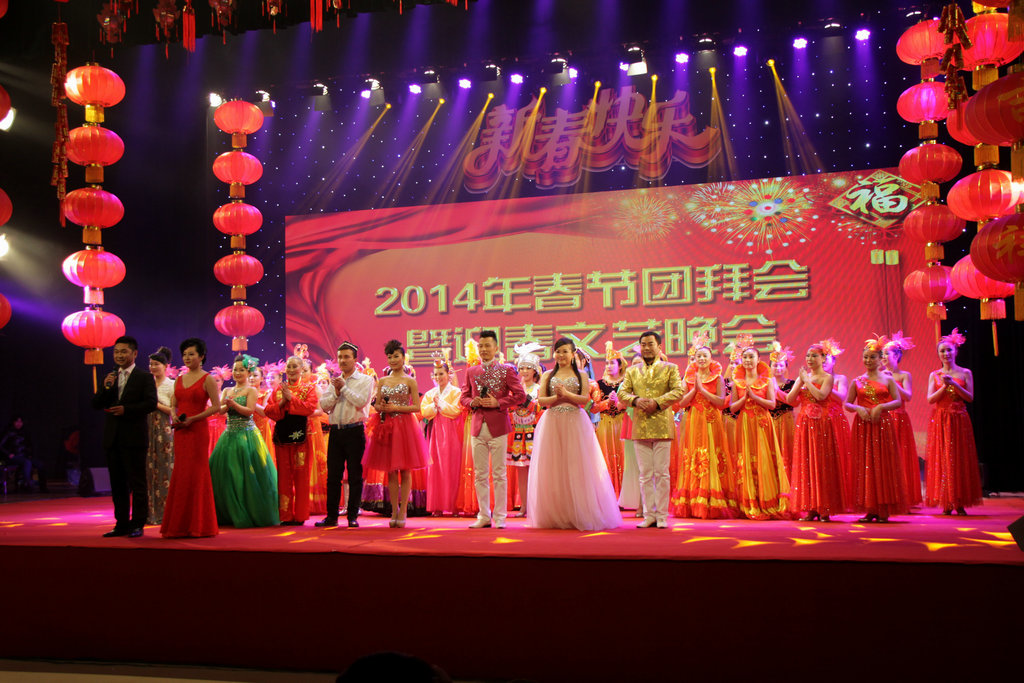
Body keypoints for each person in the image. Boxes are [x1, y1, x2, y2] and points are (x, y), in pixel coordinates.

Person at [527, 337, 622, 531]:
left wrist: (566, 395)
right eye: (558, 351)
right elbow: (542, 400)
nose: (561, 355)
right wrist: (557, 397)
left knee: (577, 466)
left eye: (565, 351)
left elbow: (583, 400)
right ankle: (556, 513)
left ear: (572, 354)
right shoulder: (548, 375)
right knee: (553, 468)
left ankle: (579, 512)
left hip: (575, 422)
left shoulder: (581, 375)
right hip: (552, 422)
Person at [92, 335, 158, 537]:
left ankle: (137, 524)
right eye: (116, 352)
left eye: (124, 351)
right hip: (112, 438)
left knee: (137, 483)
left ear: (134, 353)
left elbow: (151, 403)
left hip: (134, 438)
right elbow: (96, 404)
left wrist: (126, 410)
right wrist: (106, 387)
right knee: (117, 483)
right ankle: (121, 524)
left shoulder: (144, 377)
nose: (119, 355)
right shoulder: (110, 376)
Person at [460, 330, 526, 529]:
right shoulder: (471, 371)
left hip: (498, 426)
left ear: (496, 348)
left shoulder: (506, 370)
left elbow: (520, 395)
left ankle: (500, 517)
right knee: (480, 474)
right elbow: (463, 397)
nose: (483, 349)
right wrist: (472, 402)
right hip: (477, 427)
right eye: (480, 346)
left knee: (499, 474)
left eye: (487, 345)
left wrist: (498, 402)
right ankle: (484, 515)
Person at [618, 330, 684, 529]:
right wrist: (636, 400)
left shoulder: (670, 368)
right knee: (645, 473)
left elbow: (679, 391)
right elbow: (622, 393)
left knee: (662, 473)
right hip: (640, 427)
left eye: (650, 344)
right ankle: (649, 515)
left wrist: (657, 402)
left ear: (659, 347)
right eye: (643, 344)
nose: (646, 348)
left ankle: (662, 515)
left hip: (662, 426)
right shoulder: (632, 371)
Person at [362, 340, 429, 528]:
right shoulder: (383, 381)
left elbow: (416, 407)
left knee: (405, 470)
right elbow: (377, 405)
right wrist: (382, 407)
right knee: (390, 471)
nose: (393, 360)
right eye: (390, 357)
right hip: (387, 427)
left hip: (405, 427)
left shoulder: (410, 381)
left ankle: (403, 511)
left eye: (396, 356)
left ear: (403, 357)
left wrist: (396, 408)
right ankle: (393, 511)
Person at [670, 333, 739, 519]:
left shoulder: (717, 378)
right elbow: (682, 403)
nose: (701, 359)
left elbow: (721, 402)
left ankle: (712, 497)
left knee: (712, 455)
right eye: (698, 356)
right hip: (694, 420)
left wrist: (703, 392)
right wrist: (694, 390)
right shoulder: (688, 378)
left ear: (711, 359)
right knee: (693, 455)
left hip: (711, 420)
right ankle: (694, 500)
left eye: (704, 356)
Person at [208, 354, 279, 528]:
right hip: (229, 434)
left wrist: (234, 405)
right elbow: (221, 412)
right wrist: (225, 405)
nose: (237, 373)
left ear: (248, 372)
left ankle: (248, 510)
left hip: (247, 435)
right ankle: (227, 511)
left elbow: (249, 411)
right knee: (227, 473)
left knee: (246, 474)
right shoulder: (227, 390)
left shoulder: (251, 390)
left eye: (241, 370)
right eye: (235, 370)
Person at [161, 338, 221, 538]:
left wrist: (193, 419)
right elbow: (173, 403)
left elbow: (216, 407)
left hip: (197, 431)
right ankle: (178, 525)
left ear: (201, 356)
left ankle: (200, 525)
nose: (187, 358)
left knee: (197, 474)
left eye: (191, 354)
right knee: (181, 473)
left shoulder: (207, 379)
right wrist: (174, 414)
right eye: (184, 354)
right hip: (181, 430)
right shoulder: (179, 379)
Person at [844, 336, 905, 523]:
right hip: (863, 426)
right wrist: (858, 408)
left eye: (872, 357)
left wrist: (881, 407)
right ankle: (870, 508)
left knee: (882, 465)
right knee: (866, 466)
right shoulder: (857, 381)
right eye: (865, 357)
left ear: (880, 359)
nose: (868, 361)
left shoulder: (888, 379)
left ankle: (883, 508)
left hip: (882, 425)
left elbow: (898, 401)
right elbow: (847, 404)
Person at [316, 341, 373, 528]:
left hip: (355, 431)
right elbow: (324, 405)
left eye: (346, 357)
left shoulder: (365, 380)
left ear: (355, 359)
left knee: (355, 476)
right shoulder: (335, 382)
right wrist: (336, 391)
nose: (342, 360)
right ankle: (331, 516)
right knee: (333, 476)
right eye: (340, 357)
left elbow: (361, 402)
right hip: (336, 432)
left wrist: (344, 388)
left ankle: (352, 516)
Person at [925, 329, 982, 516]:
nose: (946, 354)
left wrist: (954, 384)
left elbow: (970, 397)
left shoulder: (965, 372)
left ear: (956, 351)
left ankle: (959, 501)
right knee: (943, 459)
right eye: (942, 351)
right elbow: (930, 399)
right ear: (938, 354)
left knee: (959, 459)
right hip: (941, 420)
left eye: (949, 350)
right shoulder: (935, 374)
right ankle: (946, 501)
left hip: (959, 418)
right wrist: (944, 386)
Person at [730, 345, 790, 520]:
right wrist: (745, 398)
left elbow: (772, 404)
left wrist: (754, 397)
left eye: (751, 357)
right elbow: (733, 407)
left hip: (762, 423)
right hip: (745, 423)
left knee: (765, 460)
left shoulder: (767, 380)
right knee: (746, 459)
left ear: (758, 360)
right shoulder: (737, 382)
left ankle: (767, 500)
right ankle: (749, 501)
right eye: (745, 357)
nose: (748, 360)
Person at [786, 344, 845, 521]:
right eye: (808, 355)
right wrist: (800, 382)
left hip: (822, 424)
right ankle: (811, 508)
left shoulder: (827, 377)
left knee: (822, 465)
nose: (810, 359)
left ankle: (825, 508)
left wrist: (806, 381)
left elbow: (821, 396)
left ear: (823, 358)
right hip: (805, 424)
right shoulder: (803, 377)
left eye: (814, 356)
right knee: (807, 465)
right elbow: (790, 400)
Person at [265, 355, 320, 526]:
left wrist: (292, 399)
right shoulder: (278, 389)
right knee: (283, 476)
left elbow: (309, 408)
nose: (290, 370)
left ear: (302, 368)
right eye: (288, 366)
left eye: (294, 366)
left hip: (301, 438)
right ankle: (286, 515)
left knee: (301, 475)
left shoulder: (309, 389)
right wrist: (282, 402)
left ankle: (300, 515)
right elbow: (268, 410)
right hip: (282, 438)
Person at [422, 350, 467, 517]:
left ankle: (454, 506)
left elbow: (455, 411)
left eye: (441, 373)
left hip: (453, 433)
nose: (438, 377)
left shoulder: (456, 392)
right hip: (436, 434)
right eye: (436, 374)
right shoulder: (430, 393)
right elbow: (424, 412)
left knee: (453, 467)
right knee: (436, 468)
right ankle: (438, 505)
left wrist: (439, 403)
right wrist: (434, 406)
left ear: (448, 375)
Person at [883, 331, 922, 507]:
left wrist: (892, 382)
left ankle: (904, 497)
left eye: (887, 353)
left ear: (897, 355)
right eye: (882, 354)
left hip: (899, 418)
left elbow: (907, 396)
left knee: (901, 456)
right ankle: (887, 495)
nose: (883, 357)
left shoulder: (904, 375)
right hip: (884, 419)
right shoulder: (878, 375)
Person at [506, 343, 544, 517]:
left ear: (535, 370)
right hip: (517, 434)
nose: (524, 371)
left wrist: (525, 402)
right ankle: (524, 505)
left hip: (534, 432)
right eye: (521, 368)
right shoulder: (514, 390)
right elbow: (509, 409)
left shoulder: (539, 389)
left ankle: (538, 506)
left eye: (528, 368)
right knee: (521, 471)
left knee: (537, 470)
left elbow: (541, 409)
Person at [145, 346, 175, 525]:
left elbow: (174, 410)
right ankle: (149, 512)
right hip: (146, 426)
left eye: (156, 364)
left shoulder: (171, 385)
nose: (153, 367)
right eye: (151, 364)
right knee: (148, 469)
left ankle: (166, 513)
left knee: (165, 467)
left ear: (165, 366)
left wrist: (155, 404)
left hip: (164, 427)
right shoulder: (146, 384)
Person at [594, 342, 627, 497]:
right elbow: (594, 407)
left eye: (612, 363)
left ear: (620, 366)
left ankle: (625, 494)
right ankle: (608, 494)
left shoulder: (626, 383)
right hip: (605, 423)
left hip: (623, 423)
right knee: (605, 457)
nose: (608, 366)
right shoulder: (599, 384)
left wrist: (620, 402)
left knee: (625, 457)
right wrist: (607, 402)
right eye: (606, 363)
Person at [768, 342, 796, 479]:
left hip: (786, 420)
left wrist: (776, 391)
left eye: (781, 365)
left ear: (785, 367)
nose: (778, 368)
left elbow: (794, 402)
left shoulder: (792, 383)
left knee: (787, 451)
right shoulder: (764, 384)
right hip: (769, 421)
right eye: (775, 365)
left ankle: (788, 482)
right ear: (770, 367)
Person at [0, 416, 44, 493]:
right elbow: (1, 446)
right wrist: (8, 454)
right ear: (13, 422)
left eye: (20, 422)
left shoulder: (25, 433)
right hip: (12, 457)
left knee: (40, 464)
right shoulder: (8, 432)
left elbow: (30, 445)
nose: (19, 423)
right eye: (17, 421)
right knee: (27, 462)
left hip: (24, 455)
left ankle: (43, 487)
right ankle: (28, 484)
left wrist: (30, 453)